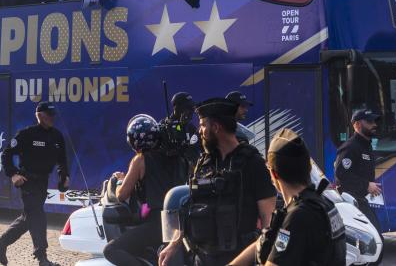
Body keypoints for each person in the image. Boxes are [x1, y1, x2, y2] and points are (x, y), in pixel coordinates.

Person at [158, 98, 277, 266]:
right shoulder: (204, 163)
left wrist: (265, 260)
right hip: (202, 258)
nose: (199, 131)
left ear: (216, 127)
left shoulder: (252, 163)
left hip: (239, 259)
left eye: (203, 125)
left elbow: (269, 219)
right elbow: (190, 209)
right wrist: (174, 244)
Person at [228, 129, 346, 266]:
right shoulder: (323, 204)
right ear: (308, 168)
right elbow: (266, 240)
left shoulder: (298, 217)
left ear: (273, 174)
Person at [103, 115, 188, 266]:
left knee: (111, 250)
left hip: (158, 224)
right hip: (181, 222)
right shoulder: (178, 158)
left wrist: (120, 180)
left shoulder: (141, 159)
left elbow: (122, 195)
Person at [0, 102, 69, 266]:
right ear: (40, 116)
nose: (52, 118)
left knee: (29, 218)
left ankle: (1, 243)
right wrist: (13, 174)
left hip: (42, 182)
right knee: (38, 216)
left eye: (53, 115)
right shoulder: (27, 134)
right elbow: (6, 154)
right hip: (27, 181)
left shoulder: (57, 136)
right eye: (49, 115)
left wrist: (64, 176)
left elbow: (62, 160)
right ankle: (42, 258)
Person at [334, 108, 383, 233]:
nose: (374, 125)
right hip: (350, 202)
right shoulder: (350, 147)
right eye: (369, 122)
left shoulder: (366, 145)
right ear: (357, 125)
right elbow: (341, 174)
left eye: (374, 121)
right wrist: (366, 185)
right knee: (375, 236)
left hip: (360, 199)